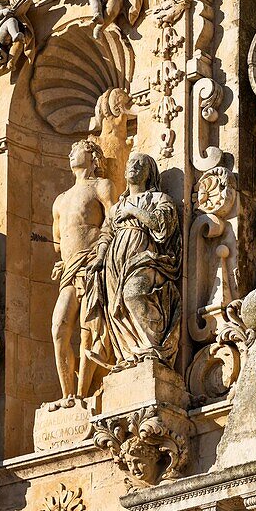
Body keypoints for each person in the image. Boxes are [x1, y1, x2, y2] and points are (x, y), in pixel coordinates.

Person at [83, 153, 181, 370]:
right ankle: (130, 355)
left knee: (133, 294)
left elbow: (162, 225)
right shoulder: (117, 206)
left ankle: (153, 349)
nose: (133, 166)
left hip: (145, 259)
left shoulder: (159, 199)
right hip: (114, 265)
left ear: (149, 173)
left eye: (140, 164)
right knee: (115, 309)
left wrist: (133, 211)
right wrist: (99, 258)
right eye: (130, 162)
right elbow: (106, 234)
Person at [48, 140, 116, 406]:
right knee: (59, 328)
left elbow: (113, 220)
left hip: (92, 265)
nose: (70, 153)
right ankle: (67, 394)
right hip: (70, 270)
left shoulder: (101, 186)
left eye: (76, 149)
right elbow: (57, 241)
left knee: (89, 330)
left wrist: (100, 252)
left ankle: (82, 393)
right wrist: (61, 262)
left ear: (92, 155)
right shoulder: (60, 200)